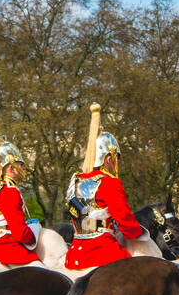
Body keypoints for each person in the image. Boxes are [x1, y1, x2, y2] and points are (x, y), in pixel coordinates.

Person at [64, 105, 149, 272]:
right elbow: (126, 223)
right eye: (116, 157)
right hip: (102, 253)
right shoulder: (109, 182)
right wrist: (140, 232)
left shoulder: (75, 180)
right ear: (108, 158)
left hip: (74, 255)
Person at [0, 122, 43, 268]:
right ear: (10, 167)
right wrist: (34, 233)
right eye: (20, 164)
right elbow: (20, 233)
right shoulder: (9, 191)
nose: (24, 168)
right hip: (9, 250)